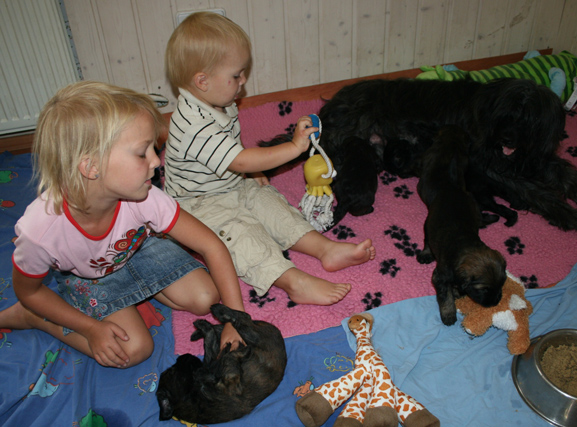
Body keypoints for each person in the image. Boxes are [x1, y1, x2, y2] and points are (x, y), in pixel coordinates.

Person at [0, 81, 245, 369]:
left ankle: (138, 291)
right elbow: (29, 291)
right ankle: (32, 318)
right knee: (133, 350)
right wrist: (90, 328)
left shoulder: (144, 195)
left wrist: (236, 320)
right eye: (142, 153)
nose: (156, 161)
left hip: (138, 249)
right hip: (87, 276)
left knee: (206, 298)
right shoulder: (41, 231)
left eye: (154, 148)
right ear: (91, 167)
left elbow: (211, 245)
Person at [163, 12, 375, 306]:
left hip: (230, 183)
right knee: (243, 235)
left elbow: (233, 150)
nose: (243, 80)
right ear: (202, 81)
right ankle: (294, 282)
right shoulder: (193, 125)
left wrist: (251, 172)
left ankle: (325, 249)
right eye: (236, 75)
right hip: (198, 205)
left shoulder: (218, 100)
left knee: (271, 205)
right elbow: (239, 160)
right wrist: (293, 147)